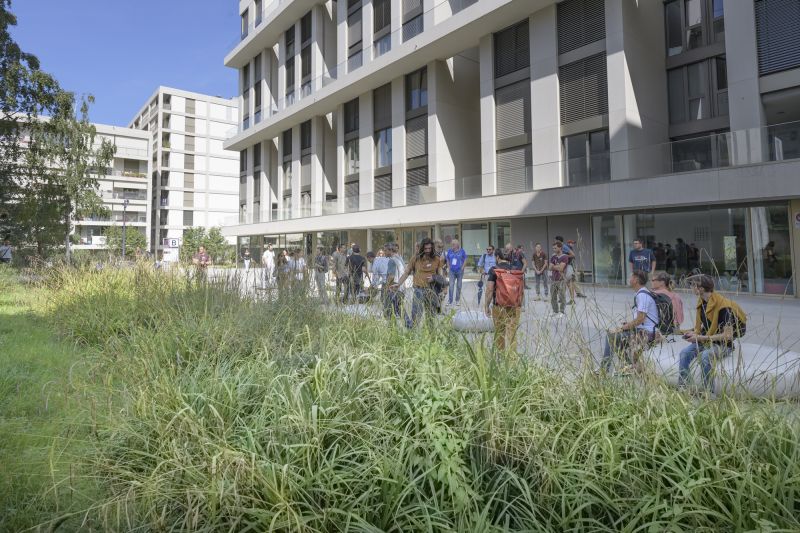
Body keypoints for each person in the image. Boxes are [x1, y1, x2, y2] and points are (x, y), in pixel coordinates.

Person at [678, 274, 746, 393]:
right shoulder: (702, 303)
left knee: (705, 356)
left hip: (723, 345)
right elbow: (707, 326)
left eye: (693, 285)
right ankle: (684, 387)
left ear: (701, 289)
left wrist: (699, 337)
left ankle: (709, 392)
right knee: (684, 353)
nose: (691, 288)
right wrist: (694, 333)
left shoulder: (724, 307)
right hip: (705, 340)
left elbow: (727, 335)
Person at [599, 270, 658, 375]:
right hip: (642, 329)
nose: (629, 279)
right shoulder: (641, 293)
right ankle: (629, 366)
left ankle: (605, 369)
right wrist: (627, 325)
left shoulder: (642, 295)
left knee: (611, 336)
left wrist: (622, 328)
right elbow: (640, 319)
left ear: (636, 280)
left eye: (631, 277)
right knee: (617, 339)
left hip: (647, 333)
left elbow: (640, 319)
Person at [393, 238, 444, 328]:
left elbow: (441, 276)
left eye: (429, 249)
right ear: (422, 248)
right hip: (418, 290)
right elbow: (406, 272)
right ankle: (413, 336)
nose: (428, 251)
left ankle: (431, 338)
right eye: (425, 249)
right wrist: (398, 283)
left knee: (431, 317)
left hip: (431, 291)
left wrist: (434, 278)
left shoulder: (437, 259)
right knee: (416, 316)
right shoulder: (415, 258)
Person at [483, 249, 523, 352]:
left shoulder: (494, 269)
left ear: (497, 257)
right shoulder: (516, 269)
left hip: (498, 306)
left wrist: (487, 305)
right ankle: (512, 360)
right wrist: (519, 306)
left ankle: (500, 358)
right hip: (514, 306)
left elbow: (489, 289)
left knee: (500, 333)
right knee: (512, 333)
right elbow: (521, 290)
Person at [383, 243, 405, 321]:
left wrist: (386, 287)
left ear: (390, 250)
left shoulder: (392, 260)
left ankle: (391, 330)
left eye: (385, 250)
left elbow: (391, 276)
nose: (384, 252)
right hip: (401, 289)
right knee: (398, 312)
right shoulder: (400, 258)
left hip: (393, 289)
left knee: (388, 313)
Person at [549, 241, 569, 317]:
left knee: (562, 296)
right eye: (553, 248)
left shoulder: (564, 257)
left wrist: (554, 266)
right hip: (553, 279)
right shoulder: (553, 256)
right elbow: (549, 267)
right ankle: (555, 311)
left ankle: (562, 311)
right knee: (553, 296)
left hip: (561, 279)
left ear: (560, 248)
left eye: (555, 248)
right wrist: (556, 266)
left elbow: (561, 268)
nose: (554, 249)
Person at [445, 239, 467, 306]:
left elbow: (465, 260)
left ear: (457, 245)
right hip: (452, 271)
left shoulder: (462, 251)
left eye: (453, 244)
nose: (452, 245)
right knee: (451, 286)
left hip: (459, 271)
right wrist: (449, 267)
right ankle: (450, 300)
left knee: (459, 286)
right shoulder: (449, 251)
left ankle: (457, 300)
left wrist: (462, 268)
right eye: (452, 244)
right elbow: (447, 259)